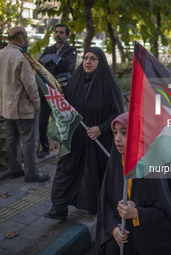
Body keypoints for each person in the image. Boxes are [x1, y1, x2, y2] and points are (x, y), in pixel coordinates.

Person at [96, 112, 171, 255]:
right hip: (123, 233)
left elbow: (165, 216)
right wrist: (113, 229)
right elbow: (106, 204)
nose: (117, 139)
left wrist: (136, 213)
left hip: (146, 237)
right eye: (115, 132)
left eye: (124, 133)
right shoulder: (115, 163)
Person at [44, 47, 123, 219]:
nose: (88, 61)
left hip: (98, 138)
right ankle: (59, 207)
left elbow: (117, 113)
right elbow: (67, 105)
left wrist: (100, 128)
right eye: (86, 58)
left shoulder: (108, 84)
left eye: (93, 58)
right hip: (74, 137)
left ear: (100, 62)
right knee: (65, 170)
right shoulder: (75, 81)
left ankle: (96, 205)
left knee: (94, 174)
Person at [0, 27, 50, 182]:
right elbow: (30, 85)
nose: (27, 41)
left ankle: (15, 169)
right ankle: (32, 174)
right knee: (30, 140)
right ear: (21, 39)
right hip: (24, 106)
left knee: (12, 139)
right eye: (26, 38)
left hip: (6, 106)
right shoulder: (21, 57)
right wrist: (37, 103)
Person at [37, 24, 77, 159]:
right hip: (47, 90)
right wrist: (57, 63)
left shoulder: (71, 50)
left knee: (63, 121)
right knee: (42, 121)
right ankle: (45, 148)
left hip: (63, 91)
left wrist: (53, 60)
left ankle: (65, 148)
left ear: (67, 35)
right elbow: (40, 66)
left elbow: (69, 66)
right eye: (56, 32)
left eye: (61, 32)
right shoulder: (48, 49)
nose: (58, 34)